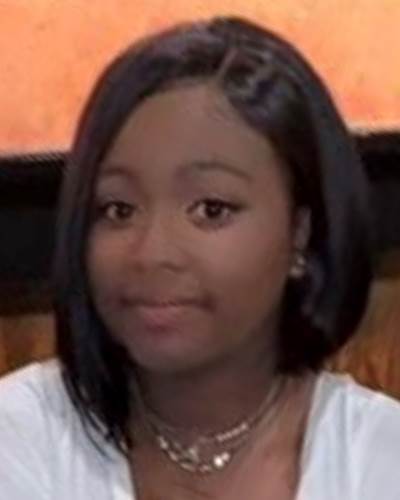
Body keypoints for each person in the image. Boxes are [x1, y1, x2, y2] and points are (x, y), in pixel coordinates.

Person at [0, 16, 399, 500]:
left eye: (211, 209)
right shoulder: (19, 435)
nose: (152, 253)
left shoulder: (381, 460)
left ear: (300, 232)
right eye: (118, 209)